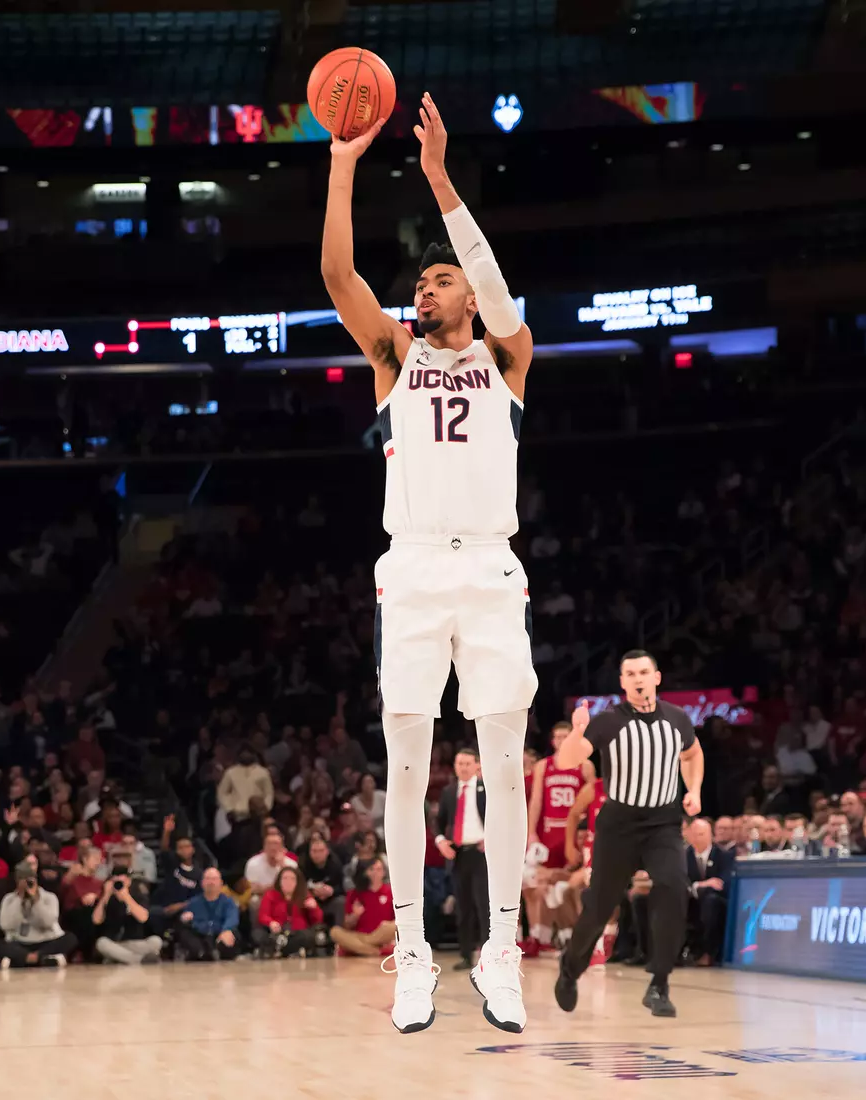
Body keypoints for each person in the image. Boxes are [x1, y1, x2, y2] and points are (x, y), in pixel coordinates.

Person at [322, 91, 536, 1035]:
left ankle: (501, 950)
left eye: (439, 280)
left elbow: (497, 294)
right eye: (424, 283)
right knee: (406, 770)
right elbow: (337, 275)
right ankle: (412, 952)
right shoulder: (393, 357)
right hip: (408, 572)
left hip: (491, 570)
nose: (426, 290)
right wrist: (342, 162)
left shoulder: (508, 357)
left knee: (502, 762)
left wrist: (443, 181)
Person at [553, 651, 704, 1020]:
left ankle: (660, 983)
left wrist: (695, 790)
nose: (638, 678)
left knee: (673, 885)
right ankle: (571, 969)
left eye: (644, 672)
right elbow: (566, 761)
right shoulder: (608, 722)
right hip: (618, 824)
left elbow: (693, 753)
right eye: (630, 673)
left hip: (663, 823)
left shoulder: (678, 719)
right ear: (622, 682)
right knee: (601, 905)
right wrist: (576, 730)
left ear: (657, 677)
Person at [525, 720, 594, 950]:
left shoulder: (585, 766)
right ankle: (540, 937)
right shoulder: (544, 766)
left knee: (571, 886)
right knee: (538, 885)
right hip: (549, 833)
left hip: (573, 834)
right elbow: (536, 803)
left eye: (567, 736)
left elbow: (593, 803)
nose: (562, 741)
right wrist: (531, 834)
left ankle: (578, 934)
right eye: (558, 737)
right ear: (553, 741)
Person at [434, 747, 489, 970]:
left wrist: (491, 837)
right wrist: (440, 841)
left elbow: (498, 816)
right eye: (459, 764)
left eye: (467, 763)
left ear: (477, 765)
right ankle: (466, 955)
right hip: (459, 854)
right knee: (463, 907)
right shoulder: (449, 792)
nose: (463, 768)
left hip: (481, 853)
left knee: (483, 905)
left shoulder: (486, 789)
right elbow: (438, 822)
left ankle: (488, 956)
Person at [0, 869, 76, 968]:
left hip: (45, 940)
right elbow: (5, 925)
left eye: (30, 881)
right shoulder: (9, 899)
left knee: (70, 938)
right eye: (22, 881)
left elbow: (48, 922)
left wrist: (36, 900)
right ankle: (39, 958)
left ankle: (25, 958)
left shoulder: (50, 897)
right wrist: (19, 898)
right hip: (19, 941)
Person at [682, 818, 732, 967]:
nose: (699, 837)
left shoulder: (723, 855)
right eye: (695, 834)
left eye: (702, 834)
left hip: (716, 901)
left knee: (711, 901)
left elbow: (721, 883)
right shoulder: (684, 856)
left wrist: (696, 887)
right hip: (690, 900)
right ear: (689, 836)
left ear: (711, 836)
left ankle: (709, 952)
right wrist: (702, 884)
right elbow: (682, 882)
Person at [253, 867, 328, 958]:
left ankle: (283, 950)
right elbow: (263, 915)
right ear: (279, 881)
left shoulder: (304, 895)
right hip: (277, 931)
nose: (288, 882)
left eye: (292, 879)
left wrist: (314, 908)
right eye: (285, 878)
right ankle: (290, 950)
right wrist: (271, 922)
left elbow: (317, 920)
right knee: (259, 934)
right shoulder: (270, 895)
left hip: (298, 932)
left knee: (307, 935)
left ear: (297, 882)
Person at [91, 870, 161, 965]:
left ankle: (118, 958)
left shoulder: (137, 895)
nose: (118, 885)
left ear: (128, 881)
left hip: (134, 943)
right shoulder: (106, 896)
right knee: (101, 943)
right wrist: (105, 895)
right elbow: (96, 920)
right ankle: (138, 960)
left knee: (156, 941)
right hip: (113, 942)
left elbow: (143, 917)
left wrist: (126, 897)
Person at [332, 857, 397, 958]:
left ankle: (362, 948)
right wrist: (355, 916)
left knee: (393, 926)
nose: (375, 873)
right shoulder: (354, 893)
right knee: (335, 932)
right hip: (358, 935)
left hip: (381, 935)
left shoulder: (391, 892)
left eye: (379, 869)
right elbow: (347, 925)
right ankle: (374, 951)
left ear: (384, 872)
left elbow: (397, 922)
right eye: (372, 869)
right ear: (365, 872)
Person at [177, 867, 240, 961]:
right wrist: (184, 918)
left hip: (220, 934)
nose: (211, 882)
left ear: (221, 883)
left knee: (233, 934)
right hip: (201, 935)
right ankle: (201, 954)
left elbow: (232, 917)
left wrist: (226, 930)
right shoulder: (193, 902)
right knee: (185, 933)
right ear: (202, 883)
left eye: (214, 879)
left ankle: (221, 953)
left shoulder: (228, 902)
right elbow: (185, 919)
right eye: (208, 879)